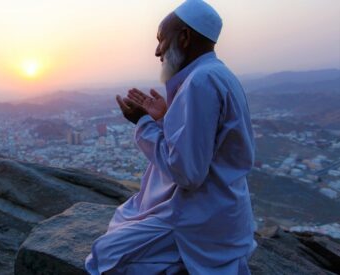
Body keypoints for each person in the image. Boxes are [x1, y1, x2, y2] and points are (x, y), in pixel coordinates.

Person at [84, 0, 257, 274]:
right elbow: (202, 146)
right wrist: (165, 119)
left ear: (185, 38)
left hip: (200, 217)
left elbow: (188, 173)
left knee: (104, 257)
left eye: (161, 40)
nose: (157, 51)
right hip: (220, 211)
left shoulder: (201, 82)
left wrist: (142, 123)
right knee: (124, 218)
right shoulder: (217, 74)